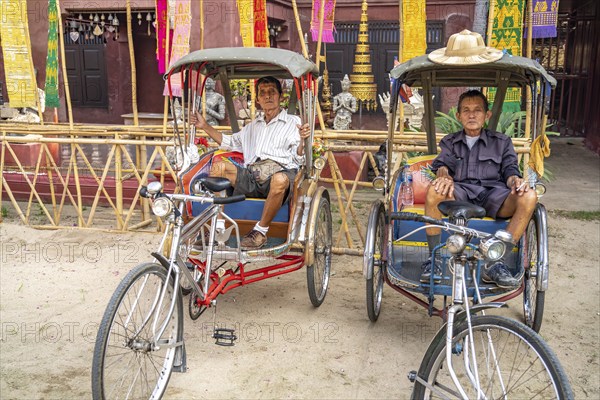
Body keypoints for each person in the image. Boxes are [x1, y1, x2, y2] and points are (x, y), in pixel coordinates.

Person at [421, 89, 537, 288]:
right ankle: (435, 259)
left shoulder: (502, 142)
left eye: (477, 110)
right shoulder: (450, 141)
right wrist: (445, 177)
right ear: (458, 116)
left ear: (487, 115)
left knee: (529, 196)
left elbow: (510, 169)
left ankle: (495, 263)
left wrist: (515, 181)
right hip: (460, 193)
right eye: (466, 110)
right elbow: (442, 165)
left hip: (494, 195)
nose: (472, 115)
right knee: (434, 191)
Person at [190, 76, 310, 249]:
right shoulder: (253, 126)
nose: (268, 96)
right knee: (219, 167)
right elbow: (228, 142)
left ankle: (260, 232)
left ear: (281, 97)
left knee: (280, 180)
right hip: (252, 174)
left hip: (281, 174)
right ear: (258, 99)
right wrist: (205, 126)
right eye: (263, 93)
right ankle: (218, 229)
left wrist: (302, 140)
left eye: (272, 92)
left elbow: (299, 157)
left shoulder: (294, 123)